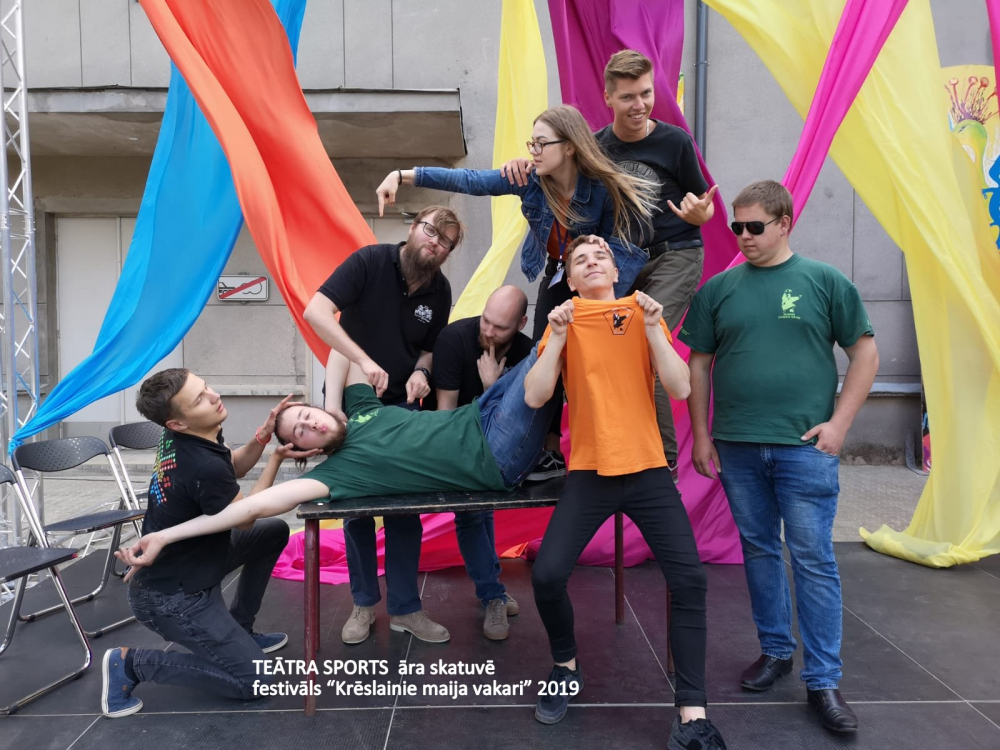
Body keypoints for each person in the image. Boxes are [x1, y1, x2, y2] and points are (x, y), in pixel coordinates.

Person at [116, 341, 560, 599]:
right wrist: (163, 536)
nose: (310, 423)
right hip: (494, 454)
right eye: (301, 431)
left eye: (307, 414)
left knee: (547, 342)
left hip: (482, 411)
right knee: (558, 341)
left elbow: (339, 349)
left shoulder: (361, 407)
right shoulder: (334, 475)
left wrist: (331, 406)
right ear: (303, 451)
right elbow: (248, 510)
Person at [679, 180, 878, 734]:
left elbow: (865, 352)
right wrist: (702, 436)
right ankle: (775, 651)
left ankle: (824, 680)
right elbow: (698, 365)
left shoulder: (825, 281)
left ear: (785, 222)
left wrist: (840, 424)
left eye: (755, 226)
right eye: (736, 226)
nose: (743, 236)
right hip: (737, 446)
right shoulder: (719, 289)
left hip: (805, 448)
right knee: (760, 549)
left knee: (813, 558)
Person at [376, 104, 657, 479]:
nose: (533, 151)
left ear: (569, 147)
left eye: (541, 143)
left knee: (596, 360)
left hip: (596, 282)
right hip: (558, 274)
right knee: (545, 356)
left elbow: (607, 254)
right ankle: (549, 450)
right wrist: (403, 175)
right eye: (532, 143)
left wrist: (597, 302)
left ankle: (620, 450)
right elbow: (473, 182)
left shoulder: (601, 190)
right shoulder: (529, 179)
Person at [522, 236, 727, 750]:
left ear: (617, 272)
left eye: (601, 257)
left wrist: (656, 328)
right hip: (590, 473)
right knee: (547, 575)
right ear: (571, 281)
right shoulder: (564, 323)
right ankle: (565, 665)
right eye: (580, 260)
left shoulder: (642, 314)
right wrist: (557, 336)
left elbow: (680, 387)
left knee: (690, 580)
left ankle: (693, 711)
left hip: (648, 471)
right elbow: (536, 395)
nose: (592, 262)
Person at [502, 50, 718, 481]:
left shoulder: (674, 142)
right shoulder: (595, 147)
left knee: (647, 346)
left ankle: (663, 467)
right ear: (608, 98)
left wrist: (702, 214)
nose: (639, 105)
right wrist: (522, 163)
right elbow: (554, 170)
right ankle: (565, 451)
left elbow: (703, 204)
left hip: (675, 254)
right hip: (622, 261)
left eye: (646, 94)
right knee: (601, 348)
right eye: (628, 97)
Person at [100, 370, 318, 719]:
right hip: (173, 598)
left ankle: (240, 630)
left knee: (274, 531)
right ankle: (132, 664)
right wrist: (275, 460)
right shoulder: (200, 463)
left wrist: (263, 437)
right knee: (255, 683)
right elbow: (245, 516)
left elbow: (233, 468)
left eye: (205, 388)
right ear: (177, 422)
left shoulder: (190, 434)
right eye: (200, 399)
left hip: (199, 561)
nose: (214, 396)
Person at [302, 206, 459, 646]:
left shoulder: (440, 289)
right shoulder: (370, 261)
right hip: (351, 402)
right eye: (431, 230)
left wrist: (422, 371)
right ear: (413, 228)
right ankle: (363, 603)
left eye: (446, 241)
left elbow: (428, 348)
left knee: (406, 511)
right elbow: (317, 313)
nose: (435, 242)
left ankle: (406, 609)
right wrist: (339, 399)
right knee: (356, 511)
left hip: (401, 410)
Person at [433, 284, 532, 640]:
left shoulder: (527, 351)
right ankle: (492, 595)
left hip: (500, 452)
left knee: (484, 511)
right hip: (454, 444)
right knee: (473, 513)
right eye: (486, 320)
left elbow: (522, 420)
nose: (488, 331)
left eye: (499, 327)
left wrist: (493, 385)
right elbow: (446, 417)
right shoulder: (455, 338)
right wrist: (494, 392)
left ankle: (493, 589)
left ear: (520, 324)